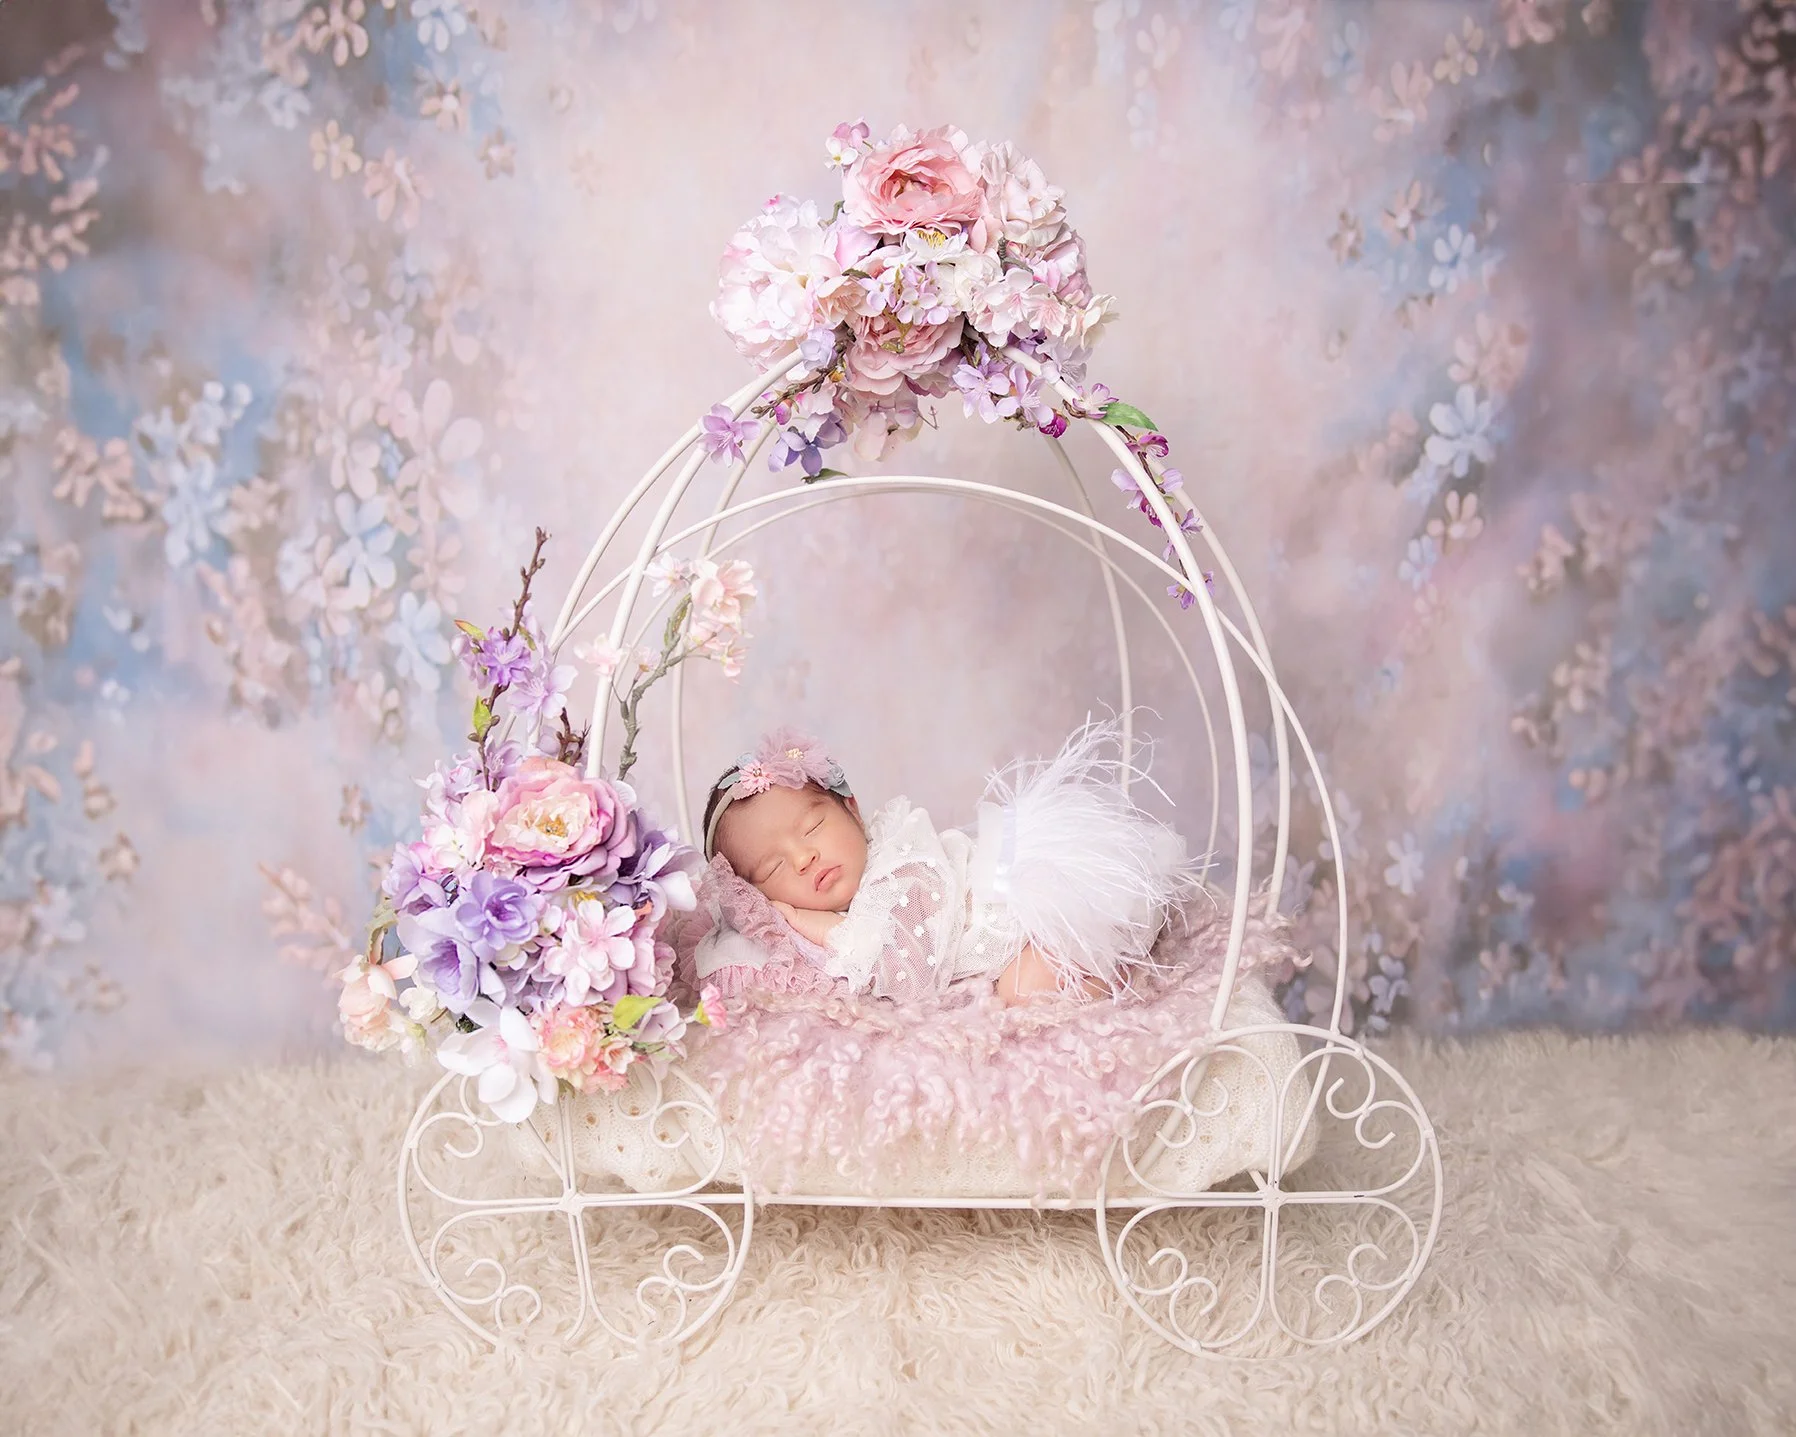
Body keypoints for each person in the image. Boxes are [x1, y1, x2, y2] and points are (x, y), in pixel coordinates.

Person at [694, 721, 1202, 1006]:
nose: (804, 857)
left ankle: (1115, 970)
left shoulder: (901, 860)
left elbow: (912, 975)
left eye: (812, 828)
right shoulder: (815, 916)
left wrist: (827, 931)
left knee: (1025, 991)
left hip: (1046, 904)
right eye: (774, 869)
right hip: (1025, 933)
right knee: (1019, 986)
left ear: (852, 809)